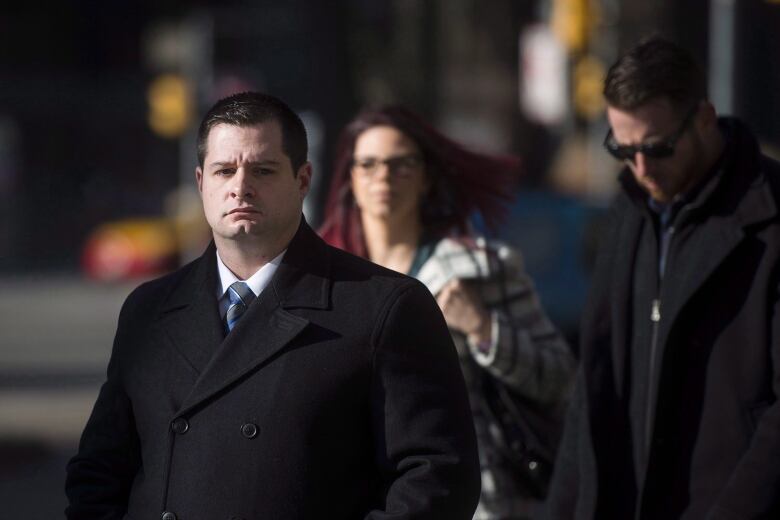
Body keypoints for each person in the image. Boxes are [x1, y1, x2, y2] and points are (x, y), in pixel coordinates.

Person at [65, 92, 481, 520]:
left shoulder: (384, 307)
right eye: (224, 170)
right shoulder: (148, 310)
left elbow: (437, 479)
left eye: (262, 170)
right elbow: (100, 472)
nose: (240, 187)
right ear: (200, 182)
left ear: (303, 180)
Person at [544, 37, 780, 519]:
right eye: (623, 149)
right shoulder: (630, 212)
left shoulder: (771, 217)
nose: (641, 167)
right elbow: (595, 385)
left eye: (657, 148)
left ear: (705, 118)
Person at [319, 106, 575, 519]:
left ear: (426, 177)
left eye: (401, 164)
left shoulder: (480, 270)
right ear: (350, 177)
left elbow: (559, 377)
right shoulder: (322, 284)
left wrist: (483, 328)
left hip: (470, 502)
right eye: (368, 164)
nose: (383, 176)